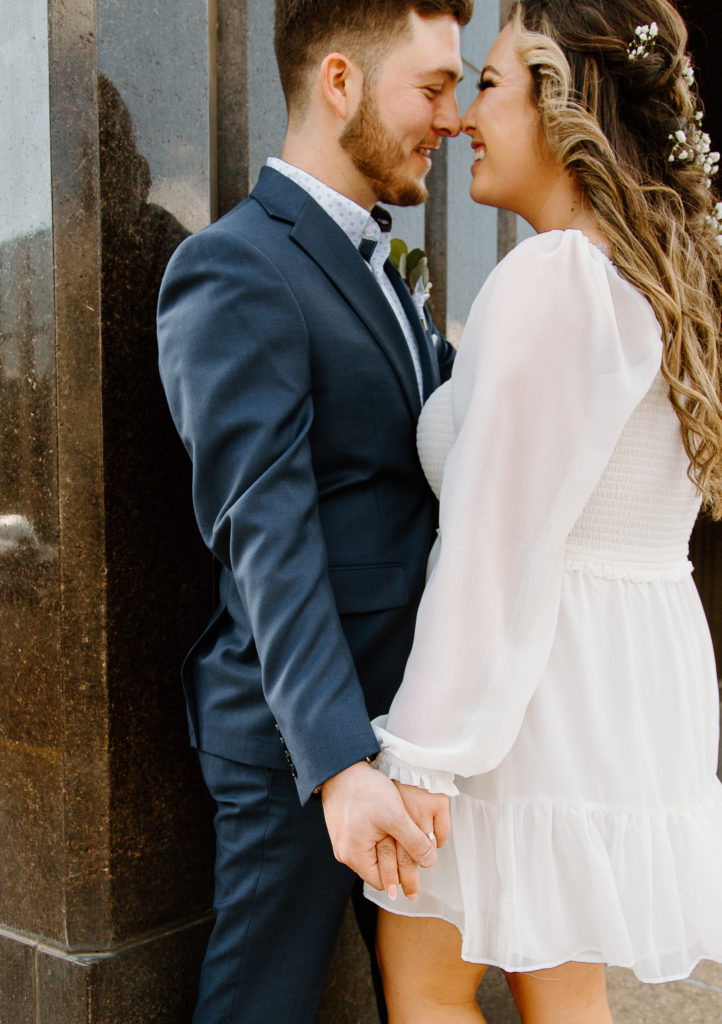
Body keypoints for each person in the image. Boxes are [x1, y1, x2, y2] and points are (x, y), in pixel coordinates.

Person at [355, 1, 722, 1021]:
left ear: (562, 111)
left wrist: (423, 754)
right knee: (561, 991)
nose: (465, 115)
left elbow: (493, 542)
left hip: (531, 691)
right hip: (623, 679)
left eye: (487, 84)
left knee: (426, 988)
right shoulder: (651, 275)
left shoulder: (554, 279)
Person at [157, 2, 471, 1021]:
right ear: (339, 82)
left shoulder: (379, 265)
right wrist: (337, 762)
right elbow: (265, 530)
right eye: (431, 87)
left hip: (411, 728)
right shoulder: (235, 266)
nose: (453, 117)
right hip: (298, 741)